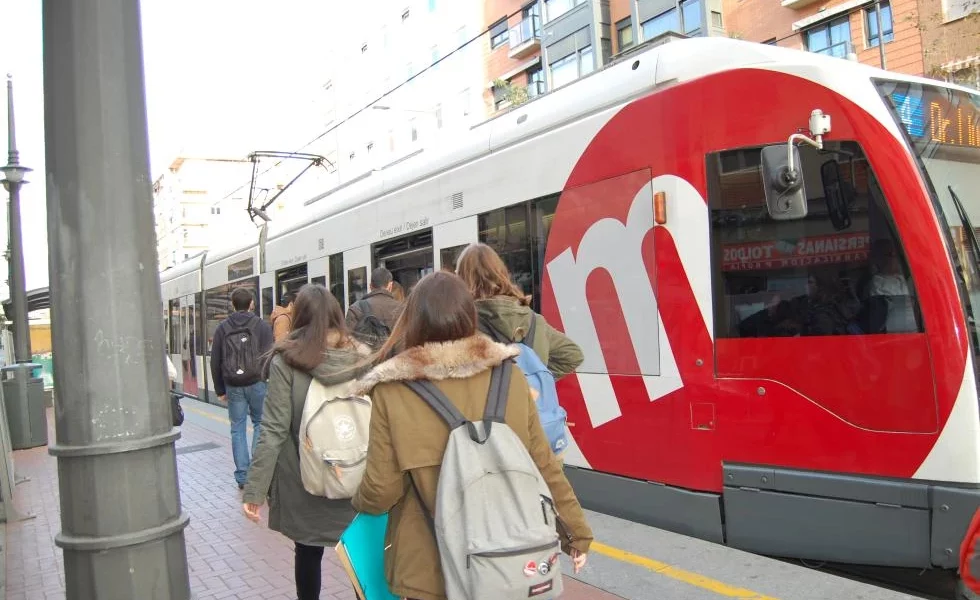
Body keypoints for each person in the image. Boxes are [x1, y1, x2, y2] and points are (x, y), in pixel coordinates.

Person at [351, 271, 593, 600]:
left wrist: (358, 500)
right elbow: (543, 465)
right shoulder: (510, 376)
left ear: (413, 320)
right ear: (469, 316)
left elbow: (381, 491)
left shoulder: (392, 391)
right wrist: (576, 534)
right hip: (502, 560)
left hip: (428, 569)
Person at [242, 284, 371, 600]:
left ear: (299, 318)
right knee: (359, 556)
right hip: (356, 476)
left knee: (308, 553)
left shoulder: (286, 361)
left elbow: (272, 429)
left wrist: (255, 490)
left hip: (304, 479)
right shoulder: (361, 357)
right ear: (338, 316)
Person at [455, 242, 583, 380]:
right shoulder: (534, 321)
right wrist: (536, 378)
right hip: (525, 400)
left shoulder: (462, 326)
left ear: (462, 279)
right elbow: (573, 355)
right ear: (501, 273)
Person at [210, 287, 274, 490]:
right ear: (252, 304)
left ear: (232, 304)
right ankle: (256, 472)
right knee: (259, 424)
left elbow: (215, 361)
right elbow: (269, 355)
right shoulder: (262, 326)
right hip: (257, 382)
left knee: (237, 428)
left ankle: (242, 476)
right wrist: (267, 379)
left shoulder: (222, 328)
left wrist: (220, 389)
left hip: (233, 386)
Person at [345, 266, 403, 349]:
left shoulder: (356, 308)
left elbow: (347, 342)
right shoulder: (403, 309)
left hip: (366, 360)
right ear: (390, 285)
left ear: (370, 286)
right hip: (394, 360)